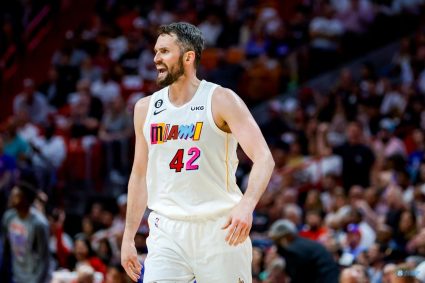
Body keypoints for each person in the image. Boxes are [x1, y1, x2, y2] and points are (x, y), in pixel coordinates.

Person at [121, 22, 275, 283]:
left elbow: (264, 158)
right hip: (166, 230)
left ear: (188, 57)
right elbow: (139, 175)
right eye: (156, 51)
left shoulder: (221, 99)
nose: (156, 58)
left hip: (220, 227)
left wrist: (247, 205)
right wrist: (128, 236)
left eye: (165, 52)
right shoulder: (145, 108)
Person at [1, 181, 50, 283]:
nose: (11, 198)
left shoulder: (39, 224)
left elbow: (44, 258)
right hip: (15, 275)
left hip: (33, 277)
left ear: (25, 199)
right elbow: (5, 250)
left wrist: (37, 280)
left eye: (16, 196)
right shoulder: (8, 217)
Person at [268, 219, 340, 283]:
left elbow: (299, 278)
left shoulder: (294, 250)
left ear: (286, 237)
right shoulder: (304, 244)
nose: (277, 246)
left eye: (277, 241)